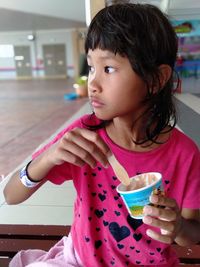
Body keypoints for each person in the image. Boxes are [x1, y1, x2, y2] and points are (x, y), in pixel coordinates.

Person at [4, 3, 200, 267]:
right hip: (80, 260)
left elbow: (192, 234)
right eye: (91, 67)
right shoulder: (84, 136)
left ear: (156, 79)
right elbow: (11, 195)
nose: (93, 84)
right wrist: (47, 158)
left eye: (108, 69)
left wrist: (177, 227)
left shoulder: (184, 154)